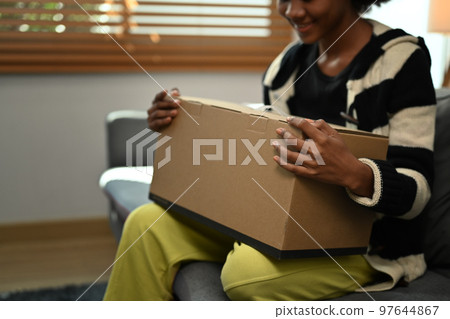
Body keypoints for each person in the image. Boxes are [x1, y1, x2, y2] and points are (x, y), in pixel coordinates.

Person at [103, 0, 436, 300]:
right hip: (281, 231)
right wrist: (175, 121)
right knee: (145, 222)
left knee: (245, 273)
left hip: (368, 248)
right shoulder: (286, 67)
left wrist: (354, 173)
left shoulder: (401, 60)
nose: (292, 11)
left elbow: (417, 193)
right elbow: (265, 156)